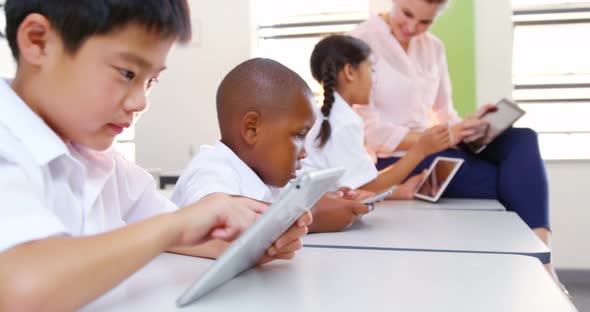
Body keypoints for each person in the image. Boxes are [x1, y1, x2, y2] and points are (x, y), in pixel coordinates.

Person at [0, 2, 309, 310]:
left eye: (150, 82)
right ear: (38, 41)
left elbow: (184, 236)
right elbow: (19, 287)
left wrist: (254, 240)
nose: (141, 102)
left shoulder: (102, 162)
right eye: (127, 73)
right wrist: (178, 225)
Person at [349, 0, 556, 282]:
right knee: (509, 179)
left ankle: (543, 257)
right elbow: (369, 130)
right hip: (397, 159)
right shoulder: (360, 41)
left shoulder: (433, 48)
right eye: (407, 14)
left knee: (523, 139)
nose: (412, 28)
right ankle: (540, 270)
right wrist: (444, 135)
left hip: (437, 144)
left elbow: (444, 113)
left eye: (424, 21)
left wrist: (469, 126)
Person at [172, 58, 372, 235]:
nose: (304, 152)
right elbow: (216, 224)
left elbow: (277, 204)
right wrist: (314, 215)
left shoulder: (264, 175)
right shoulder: (211, 172)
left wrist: (324, 200)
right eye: (299, 135)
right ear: (252, 130)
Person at [302, 35, 452, 197]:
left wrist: (398, 192)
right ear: (350, 72)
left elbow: (355, 188)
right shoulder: (344, 122)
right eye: (372, 70)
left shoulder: (329, 117)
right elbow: (367, 187)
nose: (376, 80)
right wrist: (421, 150)